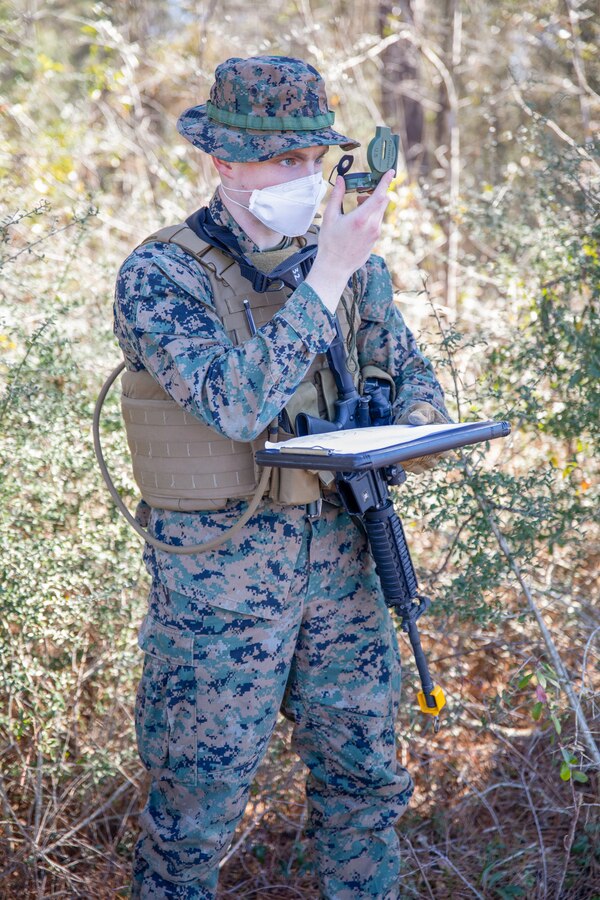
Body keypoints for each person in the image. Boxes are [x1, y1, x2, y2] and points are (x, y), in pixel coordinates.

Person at [114, 55, 449, 900]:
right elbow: (232, 403)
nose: (305, 178)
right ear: (224, 161)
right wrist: (330, 269)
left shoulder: (352, 267)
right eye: (283, 161)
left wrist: (386, 427)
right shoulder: (162, 277)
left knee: (367, 791)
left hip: (343, 565)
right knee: (193, 819)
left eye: (314, 160)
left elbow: (417, 388)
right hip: (218, 591)